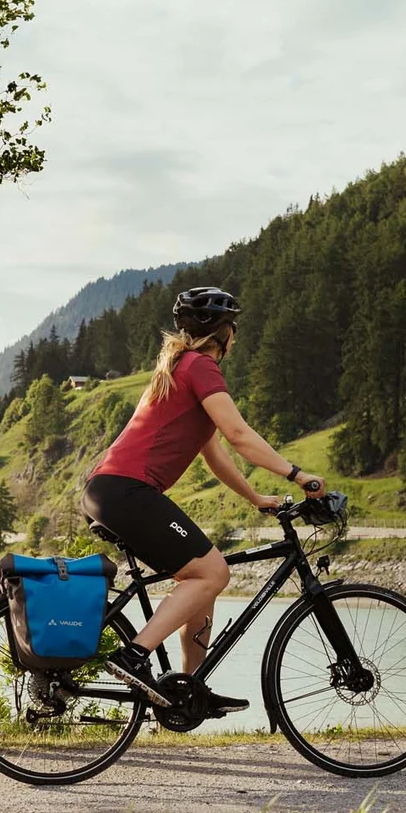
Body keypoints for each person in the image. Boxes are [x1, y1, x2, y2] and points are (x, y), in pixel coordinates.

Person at [82, 285, 325, 714]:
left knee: (203, 580)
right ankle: (134, 656)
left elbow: (214, 452)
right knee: (212, 573)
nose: (236, 336)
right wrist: (297, 474)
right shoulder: (201, 368)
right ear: (224, 333)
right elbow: (238, 435)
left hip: (111, 492)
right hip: (127, 491)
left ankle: (188, 689)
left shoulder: (179, 367)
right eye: (235, 328)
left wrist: (255, 497)